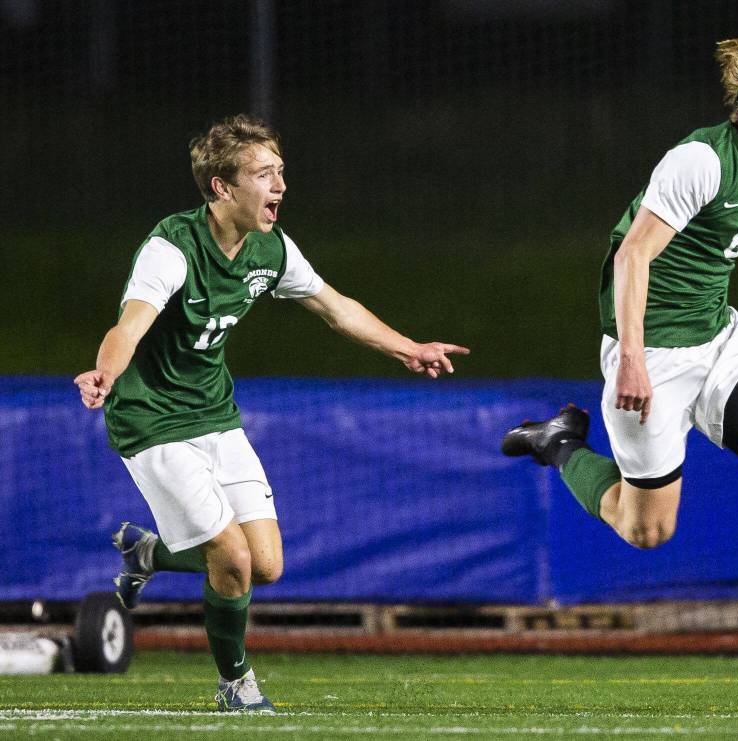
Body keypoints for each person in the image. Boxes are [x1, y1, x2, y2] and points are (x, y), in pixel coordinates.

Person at [502, 36, 738, 710]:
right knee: (647, 529)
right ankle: (558, 441)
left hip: (718, 340)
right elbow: (633, 259)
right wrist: (636, 360)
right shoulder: (700, 160)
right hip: (649, 351)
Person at [74, 114, 469, 712]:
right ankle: (235, 685)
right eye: (264, 174)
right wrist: (105, 370)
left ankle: (148, 553)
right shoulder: (172, 248)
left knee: (266, 565)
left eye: (280, 171)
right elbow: (129, 324)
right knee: (230, 558)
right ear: (221, 188)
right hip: (151, 420)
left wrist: (409, 348)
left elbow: (336, 308)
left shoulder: (272, 249)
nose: (280, 186)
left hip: (215, 415)